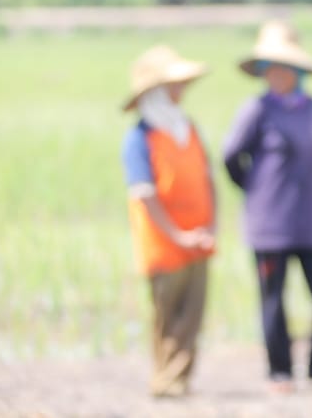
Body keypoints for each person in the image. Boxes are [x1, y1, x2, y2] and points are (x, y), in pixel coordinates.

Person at [222, 20, 312, 392]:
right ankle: (280, 371)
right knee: (274, 299)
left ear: (296, 70)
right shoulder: (257, 110)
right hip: (270, 222)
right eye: (269, 67)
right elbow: (231, 156)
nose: (276, 74)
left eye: (283, 66)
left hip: (310, 219)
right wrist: (256, 191)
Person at [119, 44, 216, 398]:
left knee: (192, 316)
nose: (181, 91)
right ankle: (165, 381)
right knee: (167, 317)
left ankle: (181, 381)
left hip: (198, 239)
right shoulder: (140, 138)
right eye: (173, 85)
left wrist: (210, 227)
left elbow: (208, 177)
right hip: (163, 243)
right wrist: (177, 235)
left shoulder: (186, 128)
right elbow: (144, 194)